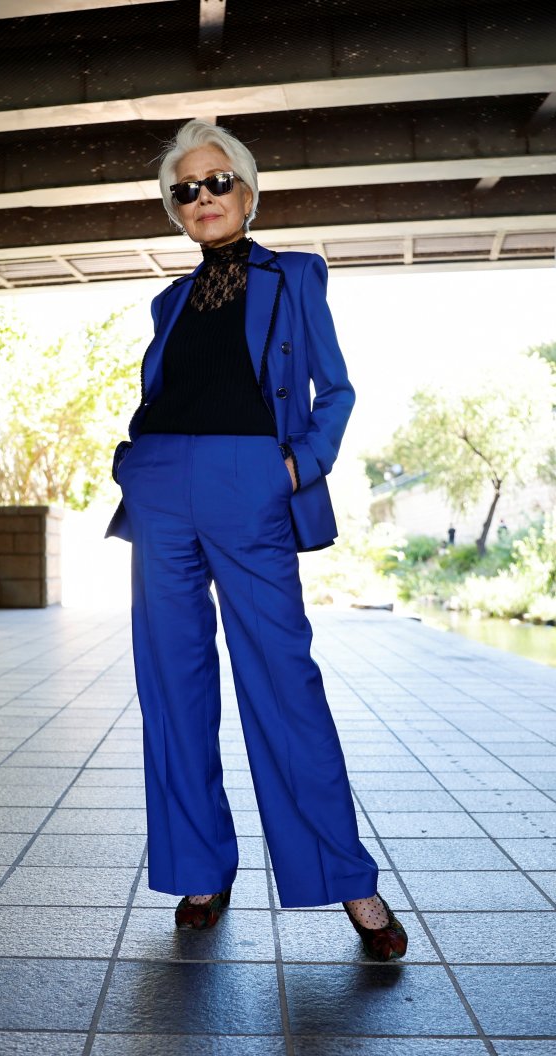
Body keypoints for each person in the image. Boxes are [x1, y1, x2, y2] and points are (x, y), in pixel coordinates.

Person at [103, 119, 406, 961]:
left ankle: (347, 879)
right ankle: (202, 869)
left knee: (283, 679)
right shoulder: (167, 301)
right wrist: (134, 464)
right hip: (161, 484)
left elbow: (334, 390)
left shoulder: (298, 276)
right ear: (175, 209)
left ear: (248, 189)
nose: (202, 198)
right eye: (185, 190)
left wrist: (294, 468)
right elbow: (169, 391)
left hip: (253, 484)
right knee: (172, 684)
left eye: (216, 182)